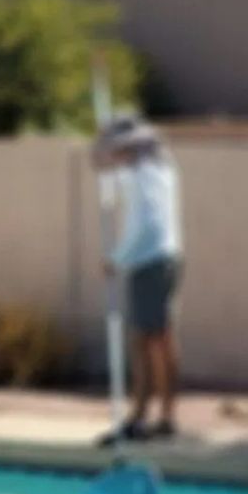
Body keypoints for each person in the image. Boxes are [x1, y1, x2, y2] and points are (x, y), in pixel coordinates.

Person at [95, 114, 183, 441]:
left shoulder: (142, 175)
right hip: (164, 258)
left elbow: (145, 225)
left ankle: (143, 416)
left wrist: (117, 259)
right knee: (159, 338)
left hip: (150, 262)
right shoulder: (160, 170)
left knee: (147, 340)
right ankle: (162, 415)